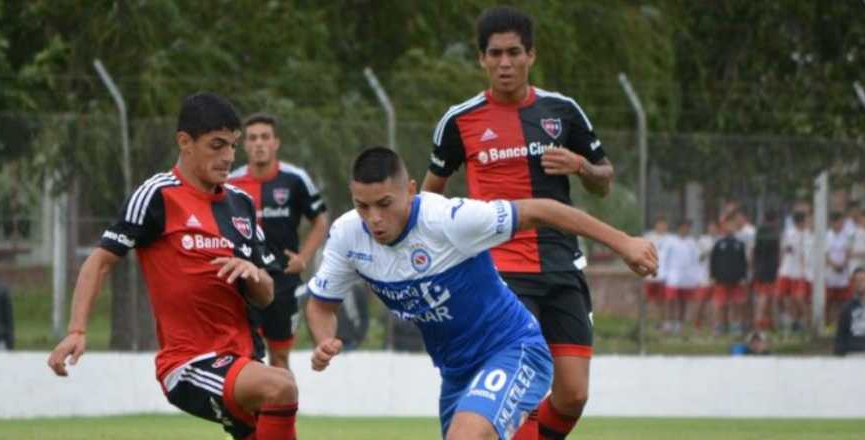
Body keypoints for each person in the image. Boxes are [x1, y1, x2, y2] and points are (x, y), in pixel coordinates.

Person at [307, 147, 656, 440]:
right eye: (362, 206)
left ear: (411, 190)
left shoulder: (449, 219)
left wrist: (624, 242)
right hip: (456, 372)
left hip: (514, 349)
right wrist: (324, 340)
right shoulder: (347, 235)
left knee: (467, 436)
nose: (374, 219)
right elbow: (322, 305)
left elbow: (541, 210)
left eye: (384, 203)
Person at [46, 93, 298, 440]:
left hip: (243, 359)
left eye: (232, 146)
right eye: (217, 145)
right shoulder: (157, 195)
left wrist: (252, 272)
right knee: (281, 385)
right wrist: (77, 330)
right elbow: (100, 261)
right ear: (185, 142)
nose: (228, 156)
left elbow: (267, 294)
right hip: (190, 362)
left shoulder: (240, 203)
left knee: (277, 397)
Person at [420, 7, 616, 438]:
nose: (504, 63)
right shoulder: (459, 120)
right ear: (482, 60)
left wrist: (581, 165)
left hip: (562, 265)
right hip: (499, 271)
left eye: (514, 53)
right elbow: (430, 196)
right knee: (517, 387)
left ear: (531, 55)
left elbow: (604, 180)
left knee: (572, 395)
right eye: (495, 54)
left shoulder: (561, 111)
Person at [229, 112, 329, 370]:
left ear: (276, 143)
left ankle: (283, 411)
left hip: (284, 281)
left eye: (265, 137)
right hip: (243, 283)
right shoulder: (230, 183)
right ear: (244, 144)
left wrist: (304, 258)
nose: (259, 143)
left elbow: (321, 221)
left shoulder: (295, 179)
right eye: (252, 138)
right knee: (243, 358)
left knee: (280, 358)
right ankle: (250, 412)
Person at [660, 220, 699, 335]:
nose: (686, 230)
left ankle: (679, 324)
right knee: (670, 300)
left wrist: (695, 277)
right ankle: (668, 322)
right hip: (672, 275)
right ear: (679, 228)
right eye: (684, 227)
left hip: (686, 278)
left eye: (688, 228)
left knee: (683, 301)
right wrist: (663, 274)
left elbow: (695, 260)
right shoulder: (670, 241)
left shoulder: (692, 242)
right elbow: (664, 258)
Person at [711, 215, 749, 335]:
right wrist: (713, 276)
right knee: (720, 304)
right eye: (728, 225)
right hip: (721, 279)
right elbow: (713, 261)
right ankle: (719, 326)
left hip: (737, 279)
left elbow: (743, 262)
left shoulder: (740, 244)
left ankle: (735, 326)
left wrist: (743, 276)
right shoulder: (718, 243)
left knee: (736, 304)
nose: (730, 227)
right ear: (724, 227)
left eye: (732, 225)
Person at [777, 212, 809, 332]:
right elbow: (785, 249)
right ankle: (790, 320)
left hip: (800, 272)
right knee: (782, 297)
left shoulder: (807, 234)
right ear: (799, 222)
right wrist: (780, 266)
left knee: (799, 298)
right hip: (786, 270)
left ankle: (802, 322)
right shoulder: (789, 233)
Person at [833, 268, 865, 356]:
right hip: (852, 354)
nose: (859, 283)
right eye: (856, 281)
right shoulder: (847, 307)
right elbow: (841, 334)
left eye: (862, 280)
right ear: (853, 284)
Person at [752, 212, 781, 330]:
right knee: (769, 297)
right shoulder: (775, 234)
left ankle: (762, 322)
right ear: (775, 220)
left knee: (762, 296)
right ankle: (766, 323)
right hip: (771, 269)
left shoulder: (759, 232)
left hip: (759, 268)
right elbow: (778, 253)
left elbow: (755, 251)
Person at [644, 217, 674, 323]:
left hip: (664, 276)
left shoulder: (671, 239)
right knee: (645, 299)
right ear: (656, 225)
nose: (662, 227)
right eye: (660, 224)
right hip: (649, 275)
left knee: (662, 301)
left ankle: (662, 321)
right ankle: (644, 321)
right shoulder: (649, 237)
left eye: (664, 224)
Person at [826, 213, 852, 325]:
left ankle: (841, 322)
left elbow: (848, 252)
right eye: (839, 222)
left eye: (842, 223)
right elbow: (825, 254)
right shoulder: (827, 236)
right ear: (833, 223)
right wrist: (834, 265)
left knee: (843, 300)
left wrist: (842, 264)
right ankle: (829, 322)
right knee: (830, 301)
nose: (841, 225)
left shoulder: (846, 236)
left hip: (843, 272)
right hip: (830, 272)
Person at [848, 209, 865, 275]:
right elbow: (849, 251)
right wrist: (863, 254)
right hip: (856, 266)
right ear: (860, 219)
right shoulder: (853, 233)